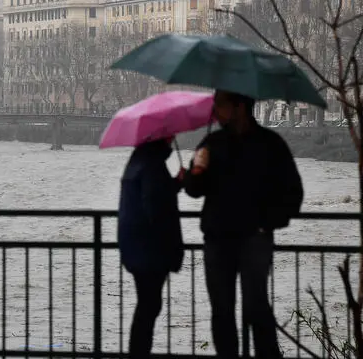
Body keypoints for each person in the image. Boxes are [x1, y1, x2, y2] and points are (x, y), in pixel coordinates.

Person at [182, 90, 304, 359]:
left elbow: (293, 192)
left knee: (256, 306)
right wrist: (197, 171)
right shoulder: (211, 143)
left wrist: (268, 223)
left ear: (239, 107)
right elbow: (193, 190)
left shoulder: (270, 144)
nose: (215, 111)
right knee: (222, 310)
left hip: (254, 239)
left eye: (220, 105)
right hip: (218, 240)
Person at [117, 137, 185, 359]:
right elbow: (155, 203)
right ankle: (138, 354)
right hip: (151, 248)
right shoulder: (153, 164)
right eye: (169, 135)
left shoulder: (139, 161)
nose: (173, 137)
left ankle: (138, 353)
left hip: (136, 245)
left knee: (147, 305)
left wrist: (176, 183)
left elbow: (152, 194)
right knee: (149, 306)